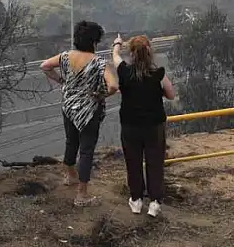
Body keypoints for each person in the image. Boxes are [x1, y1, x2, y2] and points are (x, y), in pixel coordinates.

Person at [40, 20, 118, 206]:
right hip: (89, 112)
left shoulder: (65, 56)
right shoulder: (99, 63)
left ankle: (70, 176)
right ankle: (82, 195)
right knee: (86, 150)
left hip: (68, 106)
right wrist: (101, 94)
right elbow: (114, 85)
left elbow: (44, 66)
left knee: (71, 141)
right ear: (93, 42)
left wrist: (62, 81)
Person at [112, 33, 176, 218]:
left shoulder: (124, 71)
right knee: (155, 162)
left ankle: (136, 200)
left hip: (130, 126)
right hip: (154, 126)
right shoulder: (158, 74)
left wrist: (117, 44)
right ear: (149, 52)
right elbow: (171, 94)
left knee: (133, 162)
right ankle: (155, 203)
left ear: (131, 53)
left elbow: (115, 56)